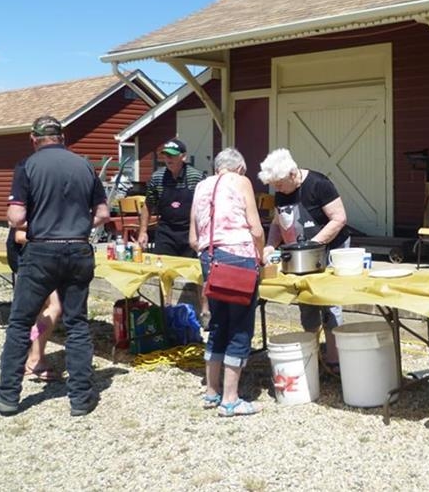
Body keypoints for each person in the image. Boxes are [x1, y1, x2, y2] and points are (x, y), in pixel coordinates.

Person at [0, 116, 110, 416]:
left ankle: (8, 395)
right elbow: (103, 213)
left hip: (41, 251)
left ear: (34, 138)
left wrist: (39, 225)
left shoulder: (27, 166)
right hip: (78, 249)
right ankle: (81, 398)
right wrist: (79, 226)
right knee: (77, 324)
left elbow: (16, 218)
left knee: (19, 322)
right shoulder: (84, 166)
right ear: (62, 137)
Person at [258, 148, 349, 372]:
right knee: (306, 301)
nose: (276, 189)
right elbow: (279, 224)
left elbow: (339, 219)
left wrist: (313, 244)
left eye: (279, 184)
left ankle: (335, 360)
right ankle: (312, 355)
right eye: (274, 185)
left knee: (329, 303)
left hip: (328, 249)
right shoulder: (282, 191)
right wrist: (270, 245)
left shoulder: (319, 184)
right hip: (301, 256)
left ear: (292, 174)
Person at [189, 148, 265, 416]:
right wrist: (262, 253)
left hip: (210, 258)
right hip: (239, 258)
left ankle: (212, 392)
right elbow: (255, 228)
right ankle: (230, 399)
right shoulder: (241, 181)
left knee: (218, 323)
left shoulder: (200, 187)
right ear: (240, 168)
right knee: (240, 327)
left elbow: (193, 238)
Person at [5, 227, 63, 382]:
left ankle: (31, 354)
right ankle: (35, 359)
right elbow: (20, 236)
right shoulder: (34, 203)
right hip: (29, 256)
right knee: (55, 306)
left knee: (43, 308)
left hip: (45, 256)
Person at [137, 138, 205, 257]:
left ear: (183, 157)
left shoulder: (196, 178)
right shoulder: (158, 178)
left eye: (172, 155)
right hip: (166, 232)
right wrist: (143, 232)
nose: (168, 159)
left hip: (190, 232)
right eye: (166, 155)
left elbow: (205, 207)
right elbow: (148, 205)